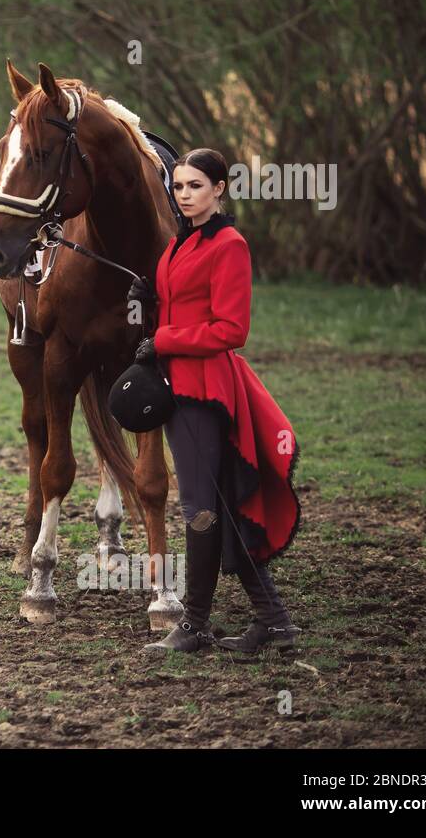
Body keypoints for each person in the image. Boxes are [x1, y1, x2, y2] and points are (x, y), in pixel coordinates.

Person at [130, 148, 303, 654]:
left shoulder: (229, 245)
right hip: (178, 384)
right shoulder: (180, 243)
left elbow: (232, 328)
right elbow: (184, 305)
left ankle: (197, 624)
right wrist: (149, 298)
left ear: (219, 188)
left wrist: (163, 340)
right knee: (219, 505)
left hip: (204, 390)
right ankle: (273, 621)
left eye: (195, 186)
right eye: (179, 187)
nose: (185, 195)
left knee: (200, 508)